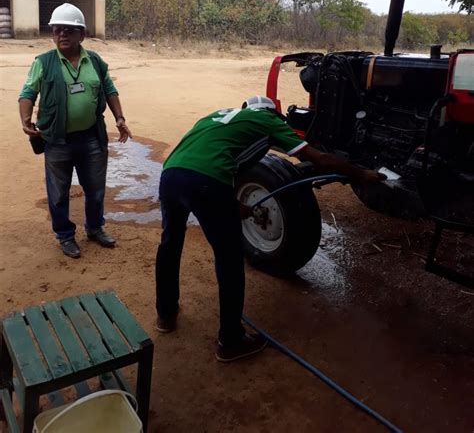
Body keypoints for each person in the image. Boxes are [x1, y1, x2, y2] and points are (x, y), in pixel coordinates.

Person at [155, 95, 384, 363]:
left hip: (171, 175)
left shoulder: (217, 115)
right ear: (273, 114)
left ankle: (165, 314)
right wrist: (361, 174)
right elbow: (319, 159)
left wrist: (232, 205)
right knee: (229, 258)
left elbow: (211, 156)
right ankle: (230, 341)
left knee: (170, 243)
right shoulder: (268, 120)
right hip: (207, 182)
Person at [18, 3, 132, 259]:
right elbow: (27, 93)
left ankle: (94, 228)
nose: (62, 36)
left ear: (82, 34)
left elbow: (110, 89)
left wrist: (120, 118)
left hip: (92, 137)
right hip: (57, 141)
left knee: (95, 188)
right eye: (57, 30)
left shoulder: (95, 61)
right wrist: (25, 119)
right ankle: (65, 236)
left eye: (69, 31)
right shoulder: (43, 62)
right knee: (58, 192)